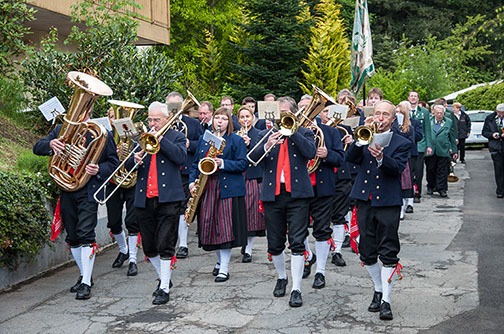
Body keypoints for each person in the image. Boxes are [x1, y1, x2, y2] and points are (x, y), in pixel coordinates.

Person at [33, 108, 119, 300]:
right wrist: (50, 145)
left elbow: (114, 163)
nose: (80, 116)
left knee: (86, 234)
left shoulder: (101, 133)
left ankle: (86, 282)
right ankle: (84, 275)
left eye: (84, 112)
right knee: (72, 236)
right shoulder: (61, 130)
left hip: (89, 190)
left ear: (89, 113)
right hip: (67, 188)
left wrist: (98, 169)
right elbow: (37, 147)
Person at [346, 100, 412, 320]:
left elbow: (398, 169)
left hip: (388, 201)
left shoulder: (402, 142)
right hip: (365, 199)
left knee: (388, 250)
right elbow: (351, 159)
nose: (381, 118)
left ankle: (386, 301)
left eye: (385, 115)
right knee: (367, 250)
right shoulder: (365, 135)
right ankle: (378, 288)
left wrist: (382, 158)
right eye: (378, 114)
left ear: (393, 119)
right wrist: (357, 140)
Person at [249, 96, 316, 308]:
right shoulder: (264, 133)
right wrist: (267, 144)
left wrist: (293, 130)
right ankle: (281, 277)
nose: (282, 117)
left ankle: (296, 288)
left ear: (294, 113)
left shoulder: (304, 132)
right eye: (280, 113)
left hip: (297, 196)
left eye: (287, 113)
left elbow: (311, 153)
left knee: (297, 241)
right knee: (275, 244)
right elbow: (251, 158)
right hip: (273, 195)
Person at [126, 101, 187, 305]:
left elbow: (180, 158)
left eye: (156, 120)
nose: (152, 123)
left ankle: (163, 288)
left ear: (167, 119)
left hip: (169, 199)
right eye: (150, 119)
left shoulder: (176, 136)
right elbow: (126, 165)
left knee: (165, 244)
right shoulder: (140, 139)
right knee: (150, 247)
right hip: (144, 199)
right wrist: (134, 160)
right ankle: (164, 279)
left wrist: (161, 140)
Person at [189, 107, 248, 282]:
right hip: (207, 187)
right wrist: (192, 182)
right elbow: (195, 164)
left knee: (225, 229)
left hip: (227, 189)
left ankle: (224, 267)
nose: (219, 121)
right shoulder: (204, 139)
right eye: (217, 118)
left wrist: (223, 163)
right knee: (210, 228)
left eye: (224, 118)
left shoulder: (236, 140)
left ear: (229, 122)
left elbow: (243, 164)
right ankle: (219, 261)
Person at [302, 105, 346, 289]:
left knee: (322, 230)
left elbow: (341, 158)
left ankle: (320, 271)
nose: (308, 113)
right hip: (300, 188)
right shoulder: (293, 132)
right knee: (298, 229)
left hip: (322, 188)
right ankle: (306, 257)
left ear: (320, 113)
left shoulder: (330, 132)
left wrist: (328, 154)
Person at [166, 92, 204, 259]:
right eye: (170, 106)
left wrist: (189, 144)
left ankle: (183, 244)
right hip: (168, 171)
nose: (173, 109)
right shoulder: (163, 123)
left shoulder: (193, 124)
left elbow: (203, 144)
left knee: (183, 208)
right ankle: (169, 241)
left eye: (176, 105)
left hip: (185, 170)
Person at [106, 107, 141, 276]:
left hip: (131, 182)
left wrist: (130, 155)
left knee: (132, 221)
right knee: (113, 222)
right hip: (113, 182)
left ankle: (133, 260)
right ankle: (123, 249)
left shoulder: (136, 136)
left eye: (118, 117)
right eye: (112, 117)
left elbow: (144, 154)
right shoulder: (106, 136)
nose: (116, 120)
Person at [236, 106, 265, 262]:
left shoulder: (259, 134)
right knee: (239, 211)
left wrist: (248, 145)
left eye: (248, 116)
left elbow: (259, 156)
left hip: (252, 177)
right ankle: (243, 241)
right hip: (238, 177)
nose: (245, 119)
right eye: (242, 117)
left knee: (251, 213)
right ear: (238, 119)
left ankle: (248, 249)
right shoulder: (235, 134)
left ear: (253, 118)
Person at [425, 105, 458, 198]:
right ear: (434, 113)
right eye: (437, 113)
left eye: (441, 113)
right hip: (430, 149)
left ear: (444, 113)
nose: (439, 115)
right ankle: (430, 186)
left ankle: (442, 189)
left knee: (442, 170)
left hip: (443, 149)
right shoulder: (429, 121)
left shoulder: (448, 122)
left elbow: (452, 137)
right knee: (430, 169)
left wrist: (455, 151)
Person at [394, 102, 418, 219]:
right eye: (396, 112)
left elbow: (411, 143)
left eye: (400, 112)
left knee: (404, 185)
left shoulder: (409, 128)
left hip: (404, 158)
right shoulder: (392, 127)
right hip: (393, 157)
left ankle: (402, 208)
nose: (398, 115)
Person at [408, 90, 432, 203]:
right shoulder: (405, 111)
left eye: (415, 96)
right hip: (408, 146)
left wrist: (429, 145)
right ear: (408, 98)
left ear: (418, 99)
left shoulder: (425, 112)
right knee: (409, 171)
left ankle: (417, 193)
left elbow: (427, 129)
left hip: (420, 145)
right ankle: (409, 192)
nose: (413, 98)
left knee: (418, 171)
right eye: (411, 96)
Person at [482, 103, 504, 198]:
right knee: (499, 170)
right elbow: (484, 132)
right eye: (498, 113)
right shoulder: (490, 118)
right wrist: (492, 135)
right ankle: (500, 190)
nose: (499, 115)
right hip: (496, 148)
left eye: (501, 113)